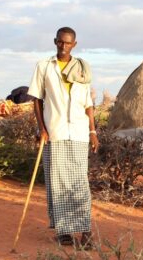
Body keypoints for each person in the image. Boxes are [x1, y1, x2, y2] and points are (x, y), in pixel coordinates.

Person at [28, 27, 99, 248]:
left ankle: (86, 231)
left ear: (74, 44)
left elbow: (88, 103)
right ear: (55, 42)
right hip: (55, 131)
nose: (63, 46)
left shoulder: (81, 69)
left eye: (68, 43)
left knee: (79, 183)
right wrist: (42, 128)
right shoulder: (44, 66)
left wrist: (93, 131)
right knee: (58, 183)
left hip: (78, 132)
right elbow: (37, 99)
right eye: (60, 42)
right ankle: (64, 232)